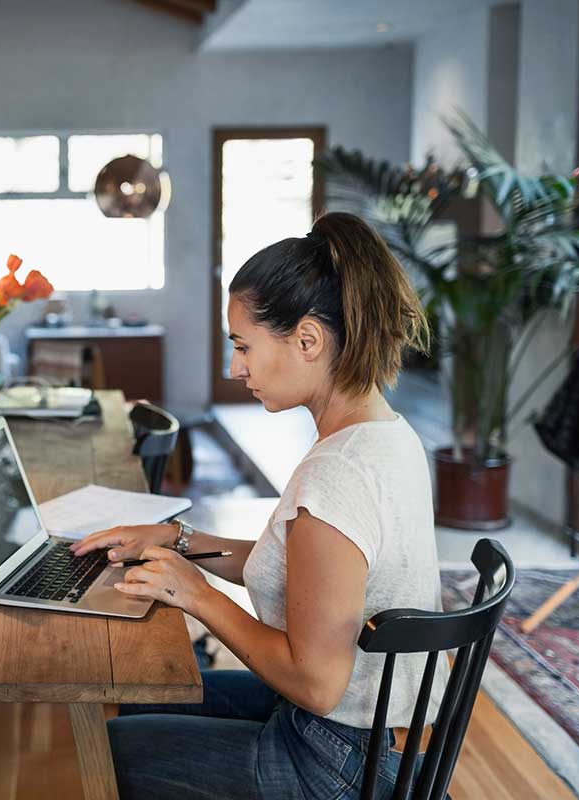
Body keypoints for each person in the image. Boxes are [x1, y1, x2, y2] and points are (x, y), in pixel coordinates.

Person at [71, 212, 447, 799]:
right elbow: (297, 571)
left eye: (244, 346)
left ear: (308, 340)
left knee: (112, 747)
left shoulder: (336, 476)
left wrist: (195, 595)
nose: (234, 368)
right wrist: (180, 541)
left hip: (332, 761)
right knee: (142, 691)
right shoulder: (386, 436)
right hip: (365, 737)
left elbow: (317, 683)